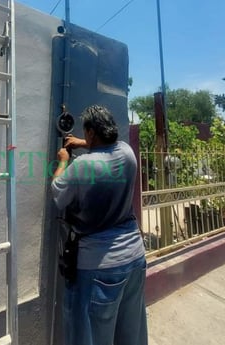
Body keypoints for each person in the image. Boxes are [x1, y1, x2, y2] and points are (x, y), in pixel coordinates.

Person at [51, 105, 148, 345]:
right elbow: (107, 146)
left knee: (92, 337)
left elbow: (58, 192)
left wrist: (63, 161)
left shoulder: (82, 167)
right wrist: (82, 142)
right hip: (135, 258)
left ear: (92, 132)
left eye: (87, 133)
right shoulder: (127, 153)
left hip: (99, 267)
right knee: (130, 335)